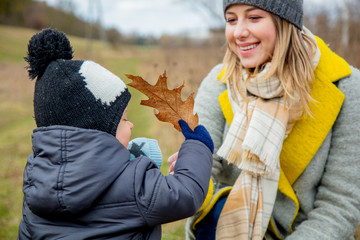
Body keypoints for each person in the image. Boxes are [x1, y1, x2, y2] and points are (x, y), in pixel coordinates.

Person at [185, 0, 360, 239]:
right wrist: (190, 172)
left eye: (254, 18)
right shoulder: (219, 82)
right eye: (231, 19)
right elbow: (207, 169)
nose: (239, 32)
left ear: (286, 22)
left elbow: (340, 205)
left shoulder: (346, 87)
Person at [17, 28, 214, 240]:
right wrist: (197, 146)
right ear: (98, 133)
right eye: (124, 119)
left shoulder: (35, 179)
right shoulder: (133, 185)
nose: (131, 125)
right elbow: (184, 195)